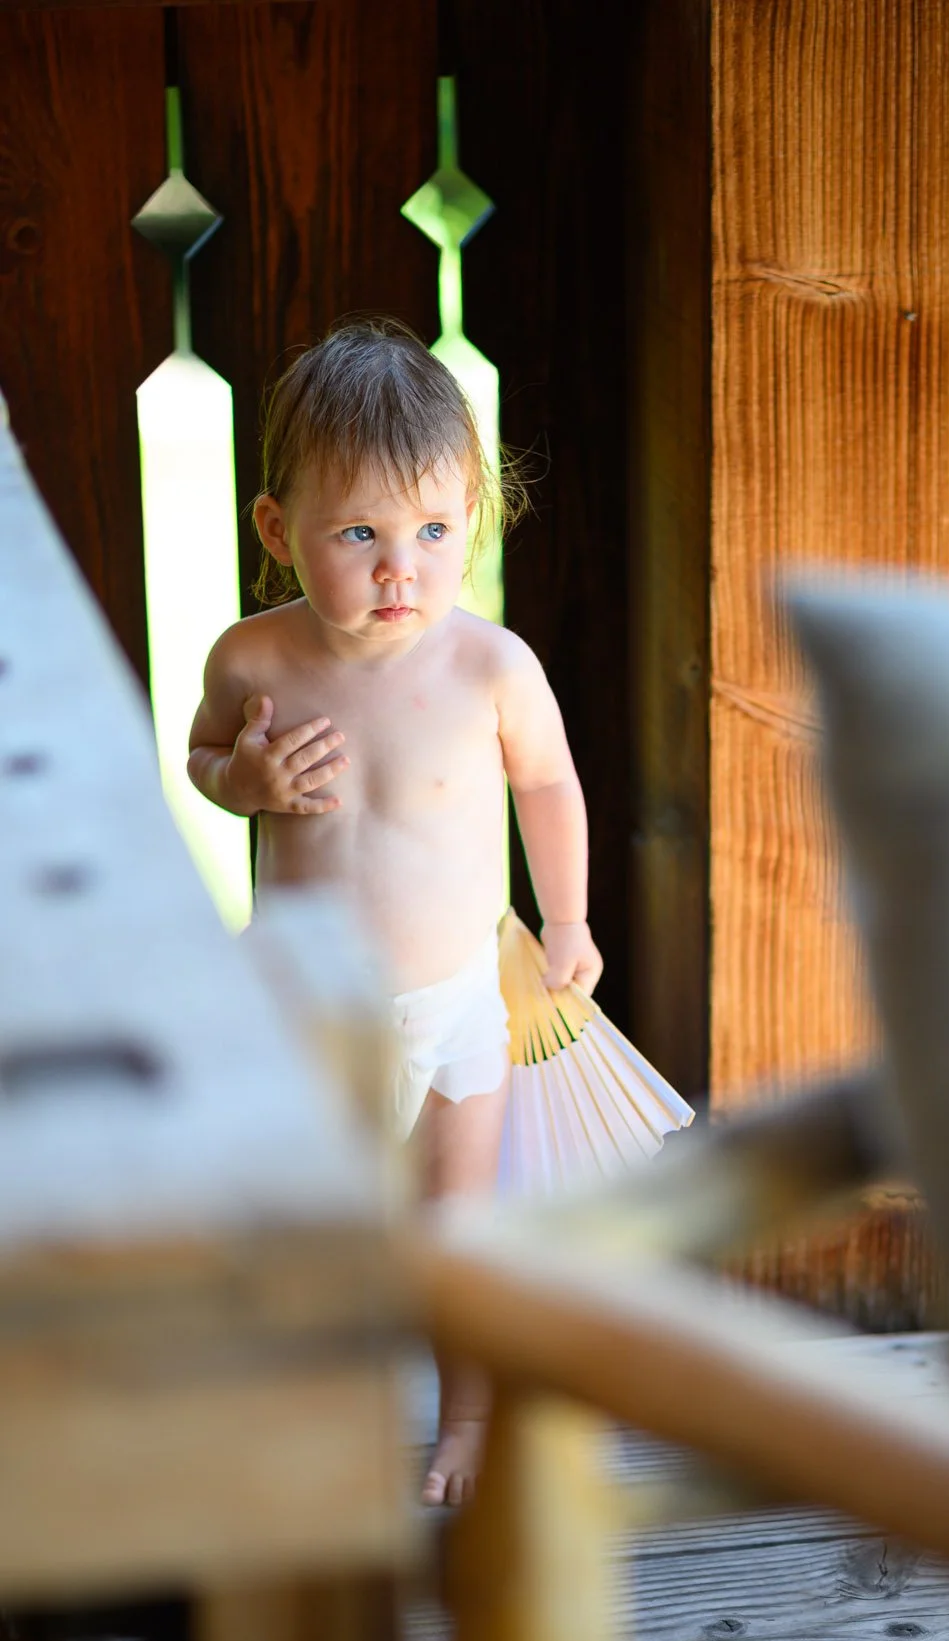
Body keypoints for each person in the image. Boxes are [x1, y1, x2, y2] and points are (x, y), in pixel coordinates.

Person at [187, 317, 602, 1506]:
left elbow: (548, 785)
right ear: (279, 531)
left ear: (473, 509)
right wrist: (245, 784)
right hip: (306, 1011)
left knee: (451, 1227)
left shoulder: (490, 668)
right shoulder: (254, 661)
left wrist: (565, 923)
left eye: (433, 529)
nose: (399, 569)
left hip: (456, 1008)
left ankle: (462, 1419)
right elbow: (205, 759)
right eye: (359, 533)